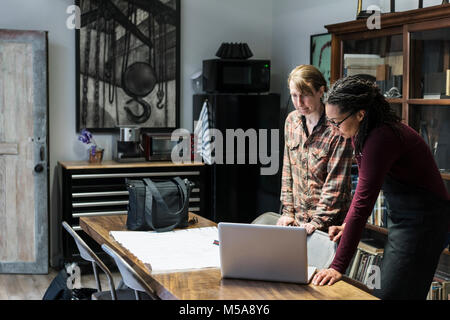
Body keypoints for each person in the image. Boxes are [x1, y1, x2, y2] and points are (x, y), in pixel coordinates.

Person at [312, 76, 450, 300]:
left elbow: (363, 204)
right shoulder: (363, 132)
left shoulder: (381, 138)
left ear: (360, 114)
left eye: (336, 122)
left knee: (393, 295)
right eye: (330, 122)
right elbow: (361, 195)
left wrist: (337, 266)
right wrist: (347, 225)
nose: (333, 129)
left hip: (425, 222)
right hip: (404, 217)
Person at [253, 65, 353, 234]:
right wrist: (287, 212)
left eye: (305, 95)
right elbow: (287, 170)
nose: (299, 103)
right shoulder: (292, 121)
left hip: (330, 225)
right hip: (296, 221)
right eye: (294, 95)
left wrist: (317, 221)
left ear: (321, 91)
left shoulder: (337, 127)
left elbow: (336, 183)